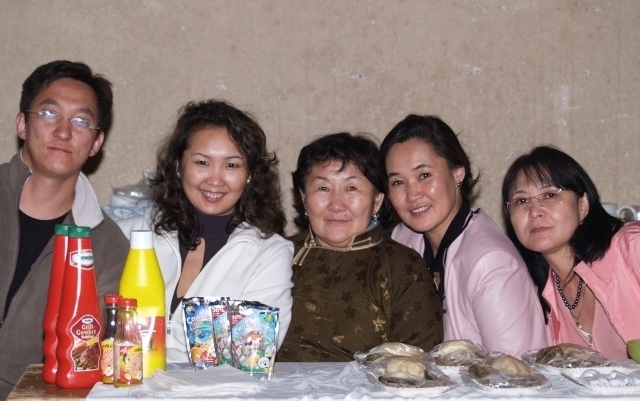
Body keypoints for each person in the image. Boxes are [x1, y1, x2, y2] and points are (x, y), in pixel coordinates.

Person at [0, 61, 130, 401]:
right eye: (49, 113)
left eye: (81, 121)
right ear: (22, 124)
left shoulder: (106, 243)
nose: (63, 131)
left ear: (96, 143)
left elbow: (106, 345)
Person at [118, 100, 293, 363]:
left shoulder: (269, 254)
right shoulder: (129, 235)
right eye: (202, 162)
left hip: (217, 391)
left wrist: (154, 357)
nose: (215, 179)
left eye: (232, 165)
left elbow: (251, 356)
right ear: (178, 166)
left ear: (249, 175)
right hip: (127, 386)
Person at [379, 115, 546, 357]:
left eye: (424, 175)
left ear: (457, 174)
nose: (412, 194)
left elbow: (515, 370)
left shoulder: (492, 263)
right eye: (397, 182)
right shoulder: (404, 238)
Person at [278, 132, 443, 362]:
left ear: (377, 201)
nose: (336, 204)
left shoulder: (403, 267)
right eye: (323, 188)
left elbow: (418, 362)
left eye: (351, 188)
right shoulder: (276, 255)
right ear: (304, 198)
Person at [501, 145, 639, 359]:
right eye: (522, 201)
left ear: (583, 206)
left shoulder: (631, 247)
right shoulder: (536, 294)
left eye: (549, 195)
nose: (535, 211)